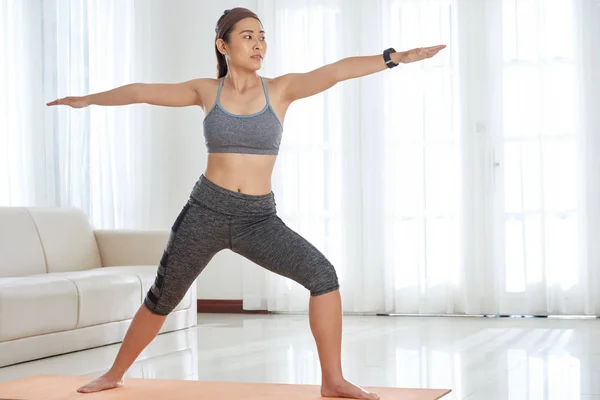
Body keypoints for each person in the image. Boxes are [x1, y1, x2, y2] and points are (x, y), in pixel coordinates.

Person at [46, 7, 445, 400]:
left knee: (322, 276)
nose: (259, 44)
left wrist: (395, 58)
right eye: (248, 36)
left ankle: (333, 379)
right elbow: (140, 92)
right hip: (205, 212)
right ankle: (114, 373)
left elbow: (336, 70)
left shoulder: (282, 89)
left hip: (258, 220)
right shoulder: (206, 91)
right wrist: (86, 99)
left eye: (262, 36)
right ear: (223, 45)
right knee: (162, 298)